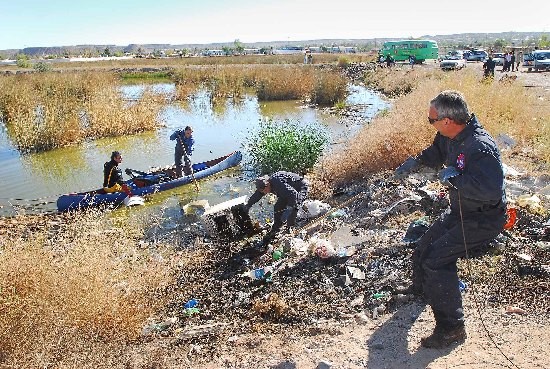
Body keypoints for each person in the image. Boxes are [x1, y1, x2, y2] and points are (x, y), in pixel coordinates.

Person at [394, 90, 507, 348]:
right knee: (423, 247)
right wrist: (415, 163)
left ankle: (452, 328)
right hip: (459, 211)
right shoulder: (448, 136)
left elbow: (490, 191)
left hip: (483, 218)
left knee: (437, 260)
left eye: (431, 119)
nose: (429, 122)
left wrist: (454, 178)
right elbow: (435, 152)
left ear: (447, 120)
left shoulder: (480, 147)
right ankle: (426, 291)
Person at [244, 171, 309, 245]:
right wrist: (248, 205)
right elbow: (257, 195)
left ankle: (289, 228)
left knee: (294, 208)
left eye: (265, 190)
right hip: (287, 192)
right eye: (262, 191)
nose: (265, 192)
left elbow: (294, 195)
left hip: (300, 188)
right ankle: (276, 229)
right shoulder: (264, 186)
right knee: (277, 207)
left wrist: (289, 209)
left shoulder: (277, 183)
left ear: (268, 184)